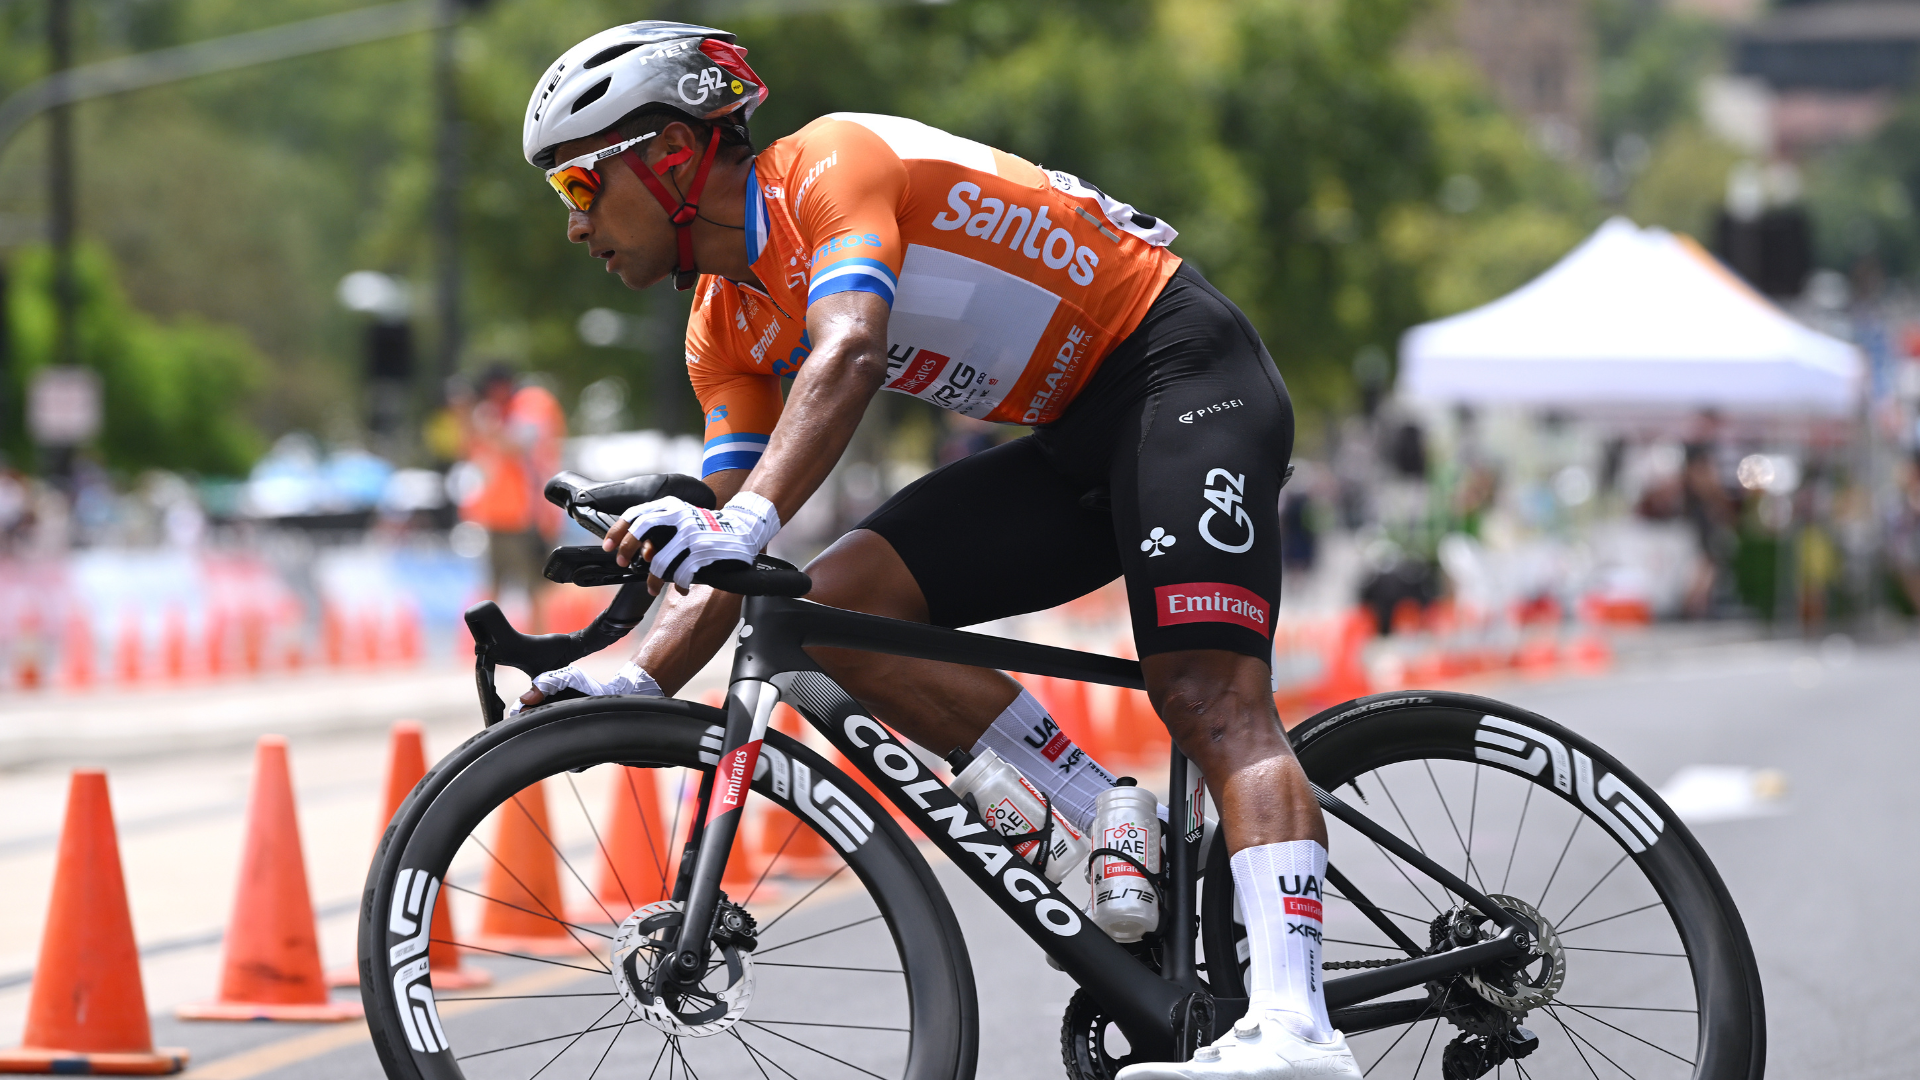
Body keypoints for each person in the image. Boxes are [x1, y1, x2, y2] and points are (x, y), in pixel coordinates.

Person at [516, 21, 1355, 1079]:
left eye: (579, 189)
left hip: (1185, 374)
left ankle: (1298, 1029)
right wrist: (621, 676)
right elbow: (731, 568)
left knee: (1208, 697)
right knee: (833, 608)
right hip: (1075, 438)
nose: (575, 226)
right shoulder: (721, 325)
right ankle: (1106, 814)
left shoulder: (829, 165)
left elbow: (852, 350)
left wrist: (735, 525)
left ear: (671, 156)